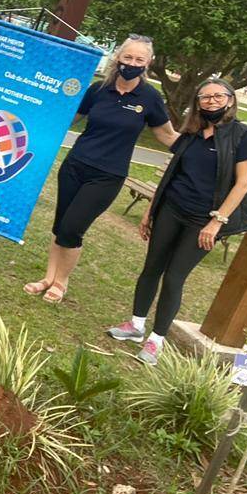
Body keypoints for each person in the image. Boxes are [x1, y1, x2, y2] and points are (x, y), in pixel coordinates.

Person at [107, 79, 247, 365]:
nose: (211, 101)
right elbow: (172, 175)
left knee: (174, 277)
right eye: (205, 97)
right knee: (151, 268)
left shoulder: (243, 135)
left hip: (203, 221)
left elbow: (243, 183)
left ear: (230, 100)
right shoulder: (192, 133)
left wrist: (216, 222)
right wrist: (151, 210)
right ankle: (136, 326)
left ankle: (156, 341)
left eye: (218, 96)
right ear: (198, 103)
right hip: (171, 209)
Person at [24, 35, 178, 303]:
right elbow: (68, 118)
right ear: (118, 58)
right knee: (60, 226)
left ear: (148, 63)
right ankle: (48, 278)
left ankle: (61, 282)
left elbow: (167, 135)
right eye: (128, 57)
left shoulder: (150, 98)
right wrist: (31, 110)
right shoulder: (98, 89)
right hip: (75, 166)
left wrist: (198, 150)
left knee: (72, 228)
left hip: (108, 176)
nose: (132, 63)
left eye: (139, 59)